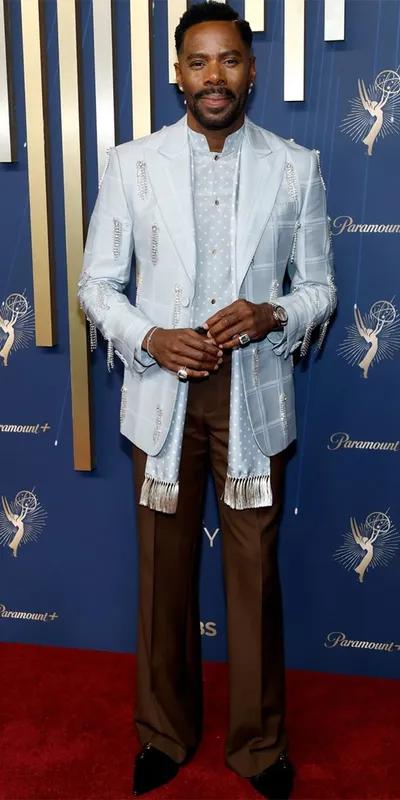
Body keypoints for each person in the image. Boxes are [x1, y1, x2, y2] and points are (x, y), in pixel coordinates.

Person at [78, 3, 336, 797]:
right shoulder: (132, 164)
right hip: (162, 396)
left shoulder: (296, 165)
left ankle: (259, 745)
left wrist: (273, 315)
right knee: (163, 572)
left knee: (253, 575)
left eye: (229, 60)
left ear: (251, 71)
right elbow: (95, 286)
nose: (214, 76)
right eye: (199, 61)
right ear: (177, 73)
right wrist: (151, 337)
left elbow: (320, 288)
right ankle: (163, 732)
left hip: (254, 396)